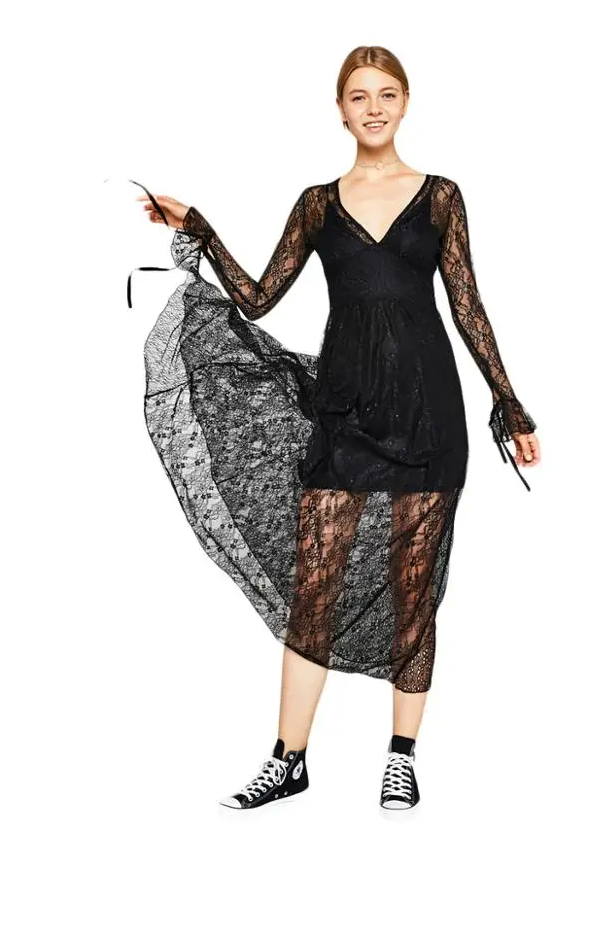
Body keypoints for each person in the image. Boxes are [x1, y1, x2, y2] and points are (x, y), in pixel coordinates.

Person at [131, 46, 541, 812]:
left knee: (414, 589)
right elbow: (257, 298)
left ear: (405, 102)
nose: (373, 107)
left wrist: (508, 403)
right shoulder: (318, 204)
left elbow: (467, 305)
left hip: (427, 411)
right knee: (313, 588)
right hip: (345, 411)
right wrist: (203, 230)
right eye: (359, 96)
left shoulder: (441, 197)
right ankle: (288, 760)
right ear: (341, 111)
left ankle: (401, 759)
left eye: (386, 94)